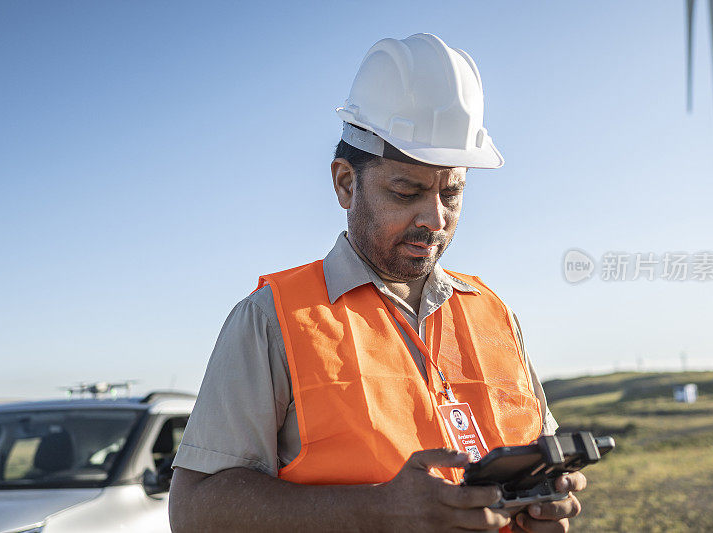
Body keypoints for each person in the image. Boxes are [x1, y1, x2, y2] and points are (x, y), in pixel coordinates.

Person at [169, 33, 586, 532]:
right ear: (346, 183)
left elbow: (536, 459)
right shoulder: (272, 320)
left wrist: (543, 506)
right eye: (407, 191)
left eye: (451, 192)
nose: (435, 218)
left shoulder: (494, 313)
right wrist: (376, 511)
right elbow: (194, 510)